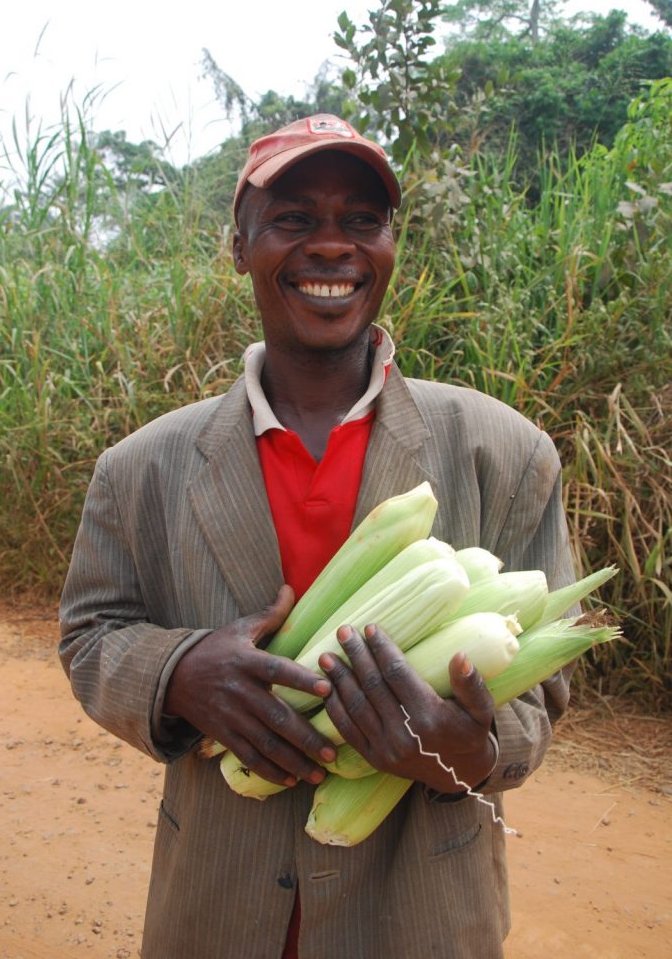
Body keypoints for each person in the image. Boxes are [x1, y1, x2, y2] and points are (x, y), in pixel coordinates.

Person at [59, 114, 575, 958]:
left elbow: (542, 688)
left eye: (360, 221)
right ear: (239, 247)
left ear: (389, 246)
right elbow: (89, 637)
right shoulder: (140, 468)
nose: (331, 247)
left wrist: (469, 748)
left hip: (420, 916)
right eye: (294, 218)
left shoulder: (502, 451)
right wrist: (179, 672)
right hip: (213, 907)